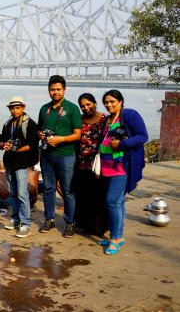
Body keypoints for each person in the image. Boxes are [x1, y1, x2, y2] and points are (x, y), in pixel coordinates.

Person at [98, 89, 147, 255]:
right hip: (107, 168)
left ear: (120, 101)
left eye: (112, 101)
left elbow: (142, 136)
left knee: (111, 202)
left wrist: (121, 145)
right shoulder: (108, 119)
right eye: (106, 102)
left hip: (121, 167)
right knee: (118, 203)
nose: (109, 104)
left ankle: (114, 238)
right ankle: (119, 236)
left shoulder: (129, 115)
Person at [38, 75, 82, 237]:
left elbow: (78, 134)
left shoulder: (72, 108)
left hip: (66, 155)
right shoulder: (44, 109)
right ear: (48, 91)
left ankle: (70, 222)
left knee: (68, 190)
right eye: (52, 89)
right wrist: (42, 135)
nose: (55, 92)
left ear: (64, 90)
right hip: (47, 155)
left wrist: (60, 139)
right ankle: (49, 219)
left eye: (58, 89)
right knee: (48, 189)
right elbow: (39, 129)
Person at [0, 96, 39, 238]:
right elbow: (1, 140)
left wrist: (17, 149)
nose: (15, 110)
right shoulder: (7, 123)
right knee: (13, 193)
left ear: (23, 108)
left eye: (17, 108)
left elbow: (33, 144)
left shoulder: (29, 123)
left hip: (22, 163)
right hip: (9, 162)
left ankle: (26, 224)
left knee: (22, 194)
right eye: (12, 108)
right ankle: (15, 219)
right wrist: (4, 145)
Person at [74, 93, 108, 236]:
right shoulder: (79, 120)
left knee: (99, 196)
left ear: (95, 103)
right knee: (84, 196)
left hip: (99, 165)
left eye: (88, 104)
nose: (85, 108)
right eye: (82, 106)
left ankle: (100, 227)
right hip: (81, 164)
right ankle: (85, 225)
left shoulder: (105, 119)